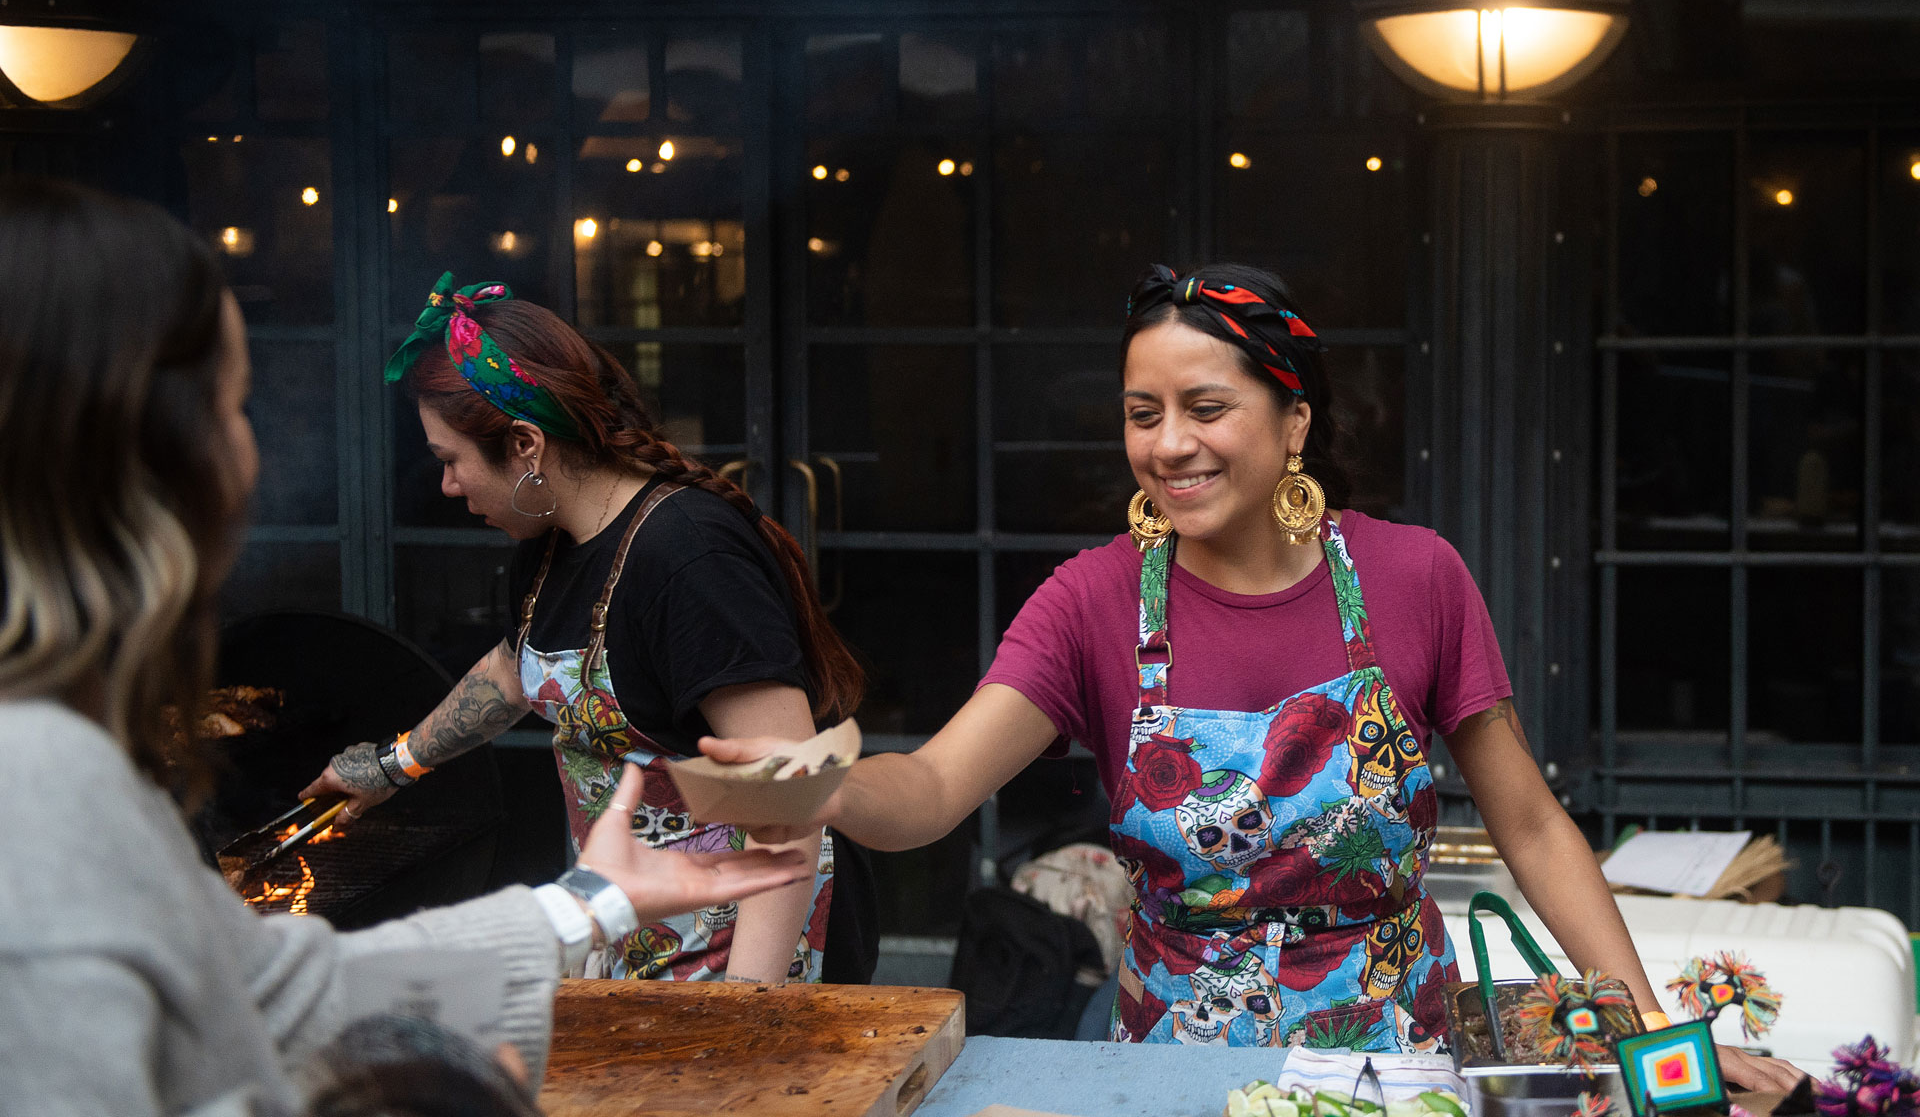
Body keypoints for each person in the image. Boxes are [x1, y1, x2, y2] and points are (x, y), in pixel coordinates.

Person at [707, 262, 1805, 1090]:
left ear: (1295, 423)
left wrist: (1656, 1037)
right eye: (1144, 414)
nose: (1170, 443)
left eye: (1207, 407)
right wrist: (823, 787)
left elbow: (1533, 826)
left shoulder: (1415, 575)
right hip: (1178, 1071)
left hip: (1400, 1065)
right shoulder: (1089, 601)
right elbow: (936, 788)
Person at [0, 179, 809, 1116]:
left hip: (703, 934)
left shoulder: (683, 548)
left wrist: (587, 906)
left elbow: (267, 988)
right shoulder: (42, 776)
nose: (252, 454)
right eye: (236, 408)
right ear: (148, 458)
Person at [302, 275, 868, 985]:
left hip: (744, 963)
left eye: (451, 461)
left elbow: (791, 795)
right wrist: (393, 767)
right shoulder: (551, 546)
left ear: (526, 445)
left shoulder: (688, 556)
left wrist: (747, 1013)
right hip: (639, 941)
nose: (447, 487)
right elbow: (517, 669)